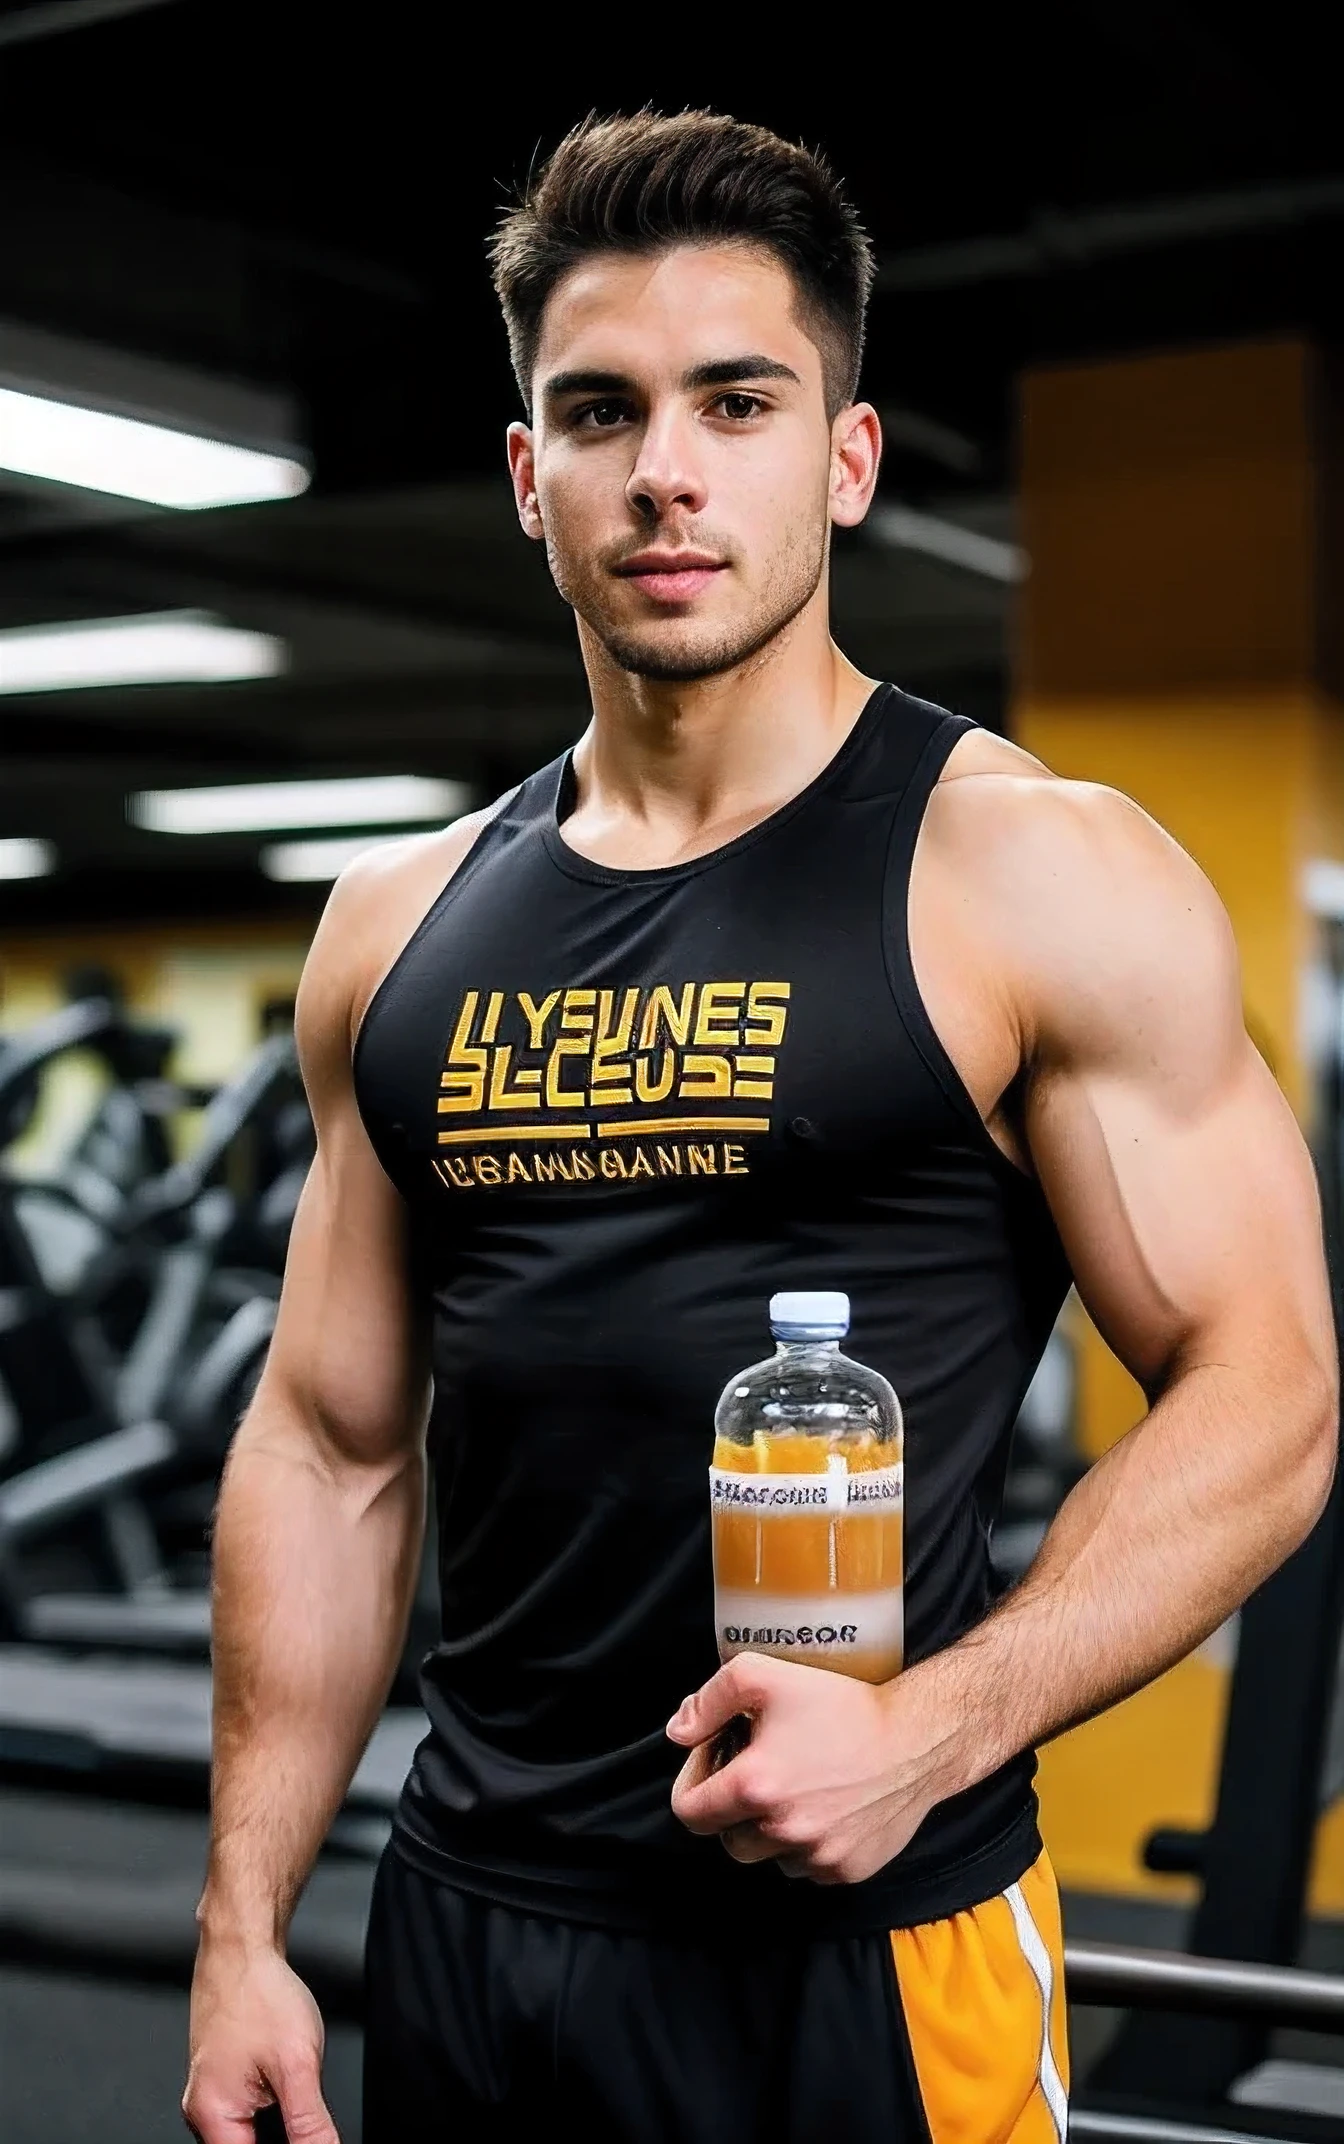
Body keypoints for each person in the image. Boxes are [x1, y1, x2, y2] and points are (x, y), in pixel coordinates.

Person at [183, 110, 1338, 2144]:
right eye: (601, 412)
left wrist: (935, 1726)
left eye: (739, 400)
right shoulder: (397, 929)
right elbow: (333, 1439)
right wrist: (242, 1922)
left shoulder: (1027, 875)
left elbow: (1273, 1392)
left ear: (849, 457)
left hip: (866, 1945)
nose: (669, 471)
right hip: (471, 1921)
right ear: (530, 478)